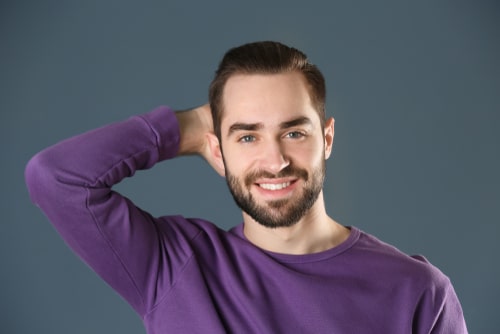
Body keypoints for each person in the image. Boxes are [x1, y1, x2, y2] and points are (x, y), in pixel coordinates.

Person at [25, 41, 467, 333]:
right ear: (216, 150)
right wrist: (192, 125)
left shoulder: (418, 292)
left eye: (294, 132)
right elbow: (57, 178)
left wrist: (231, 127)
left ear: (327, 139)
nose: (274, 162)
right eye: (248, 136)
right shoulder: (175, 266)